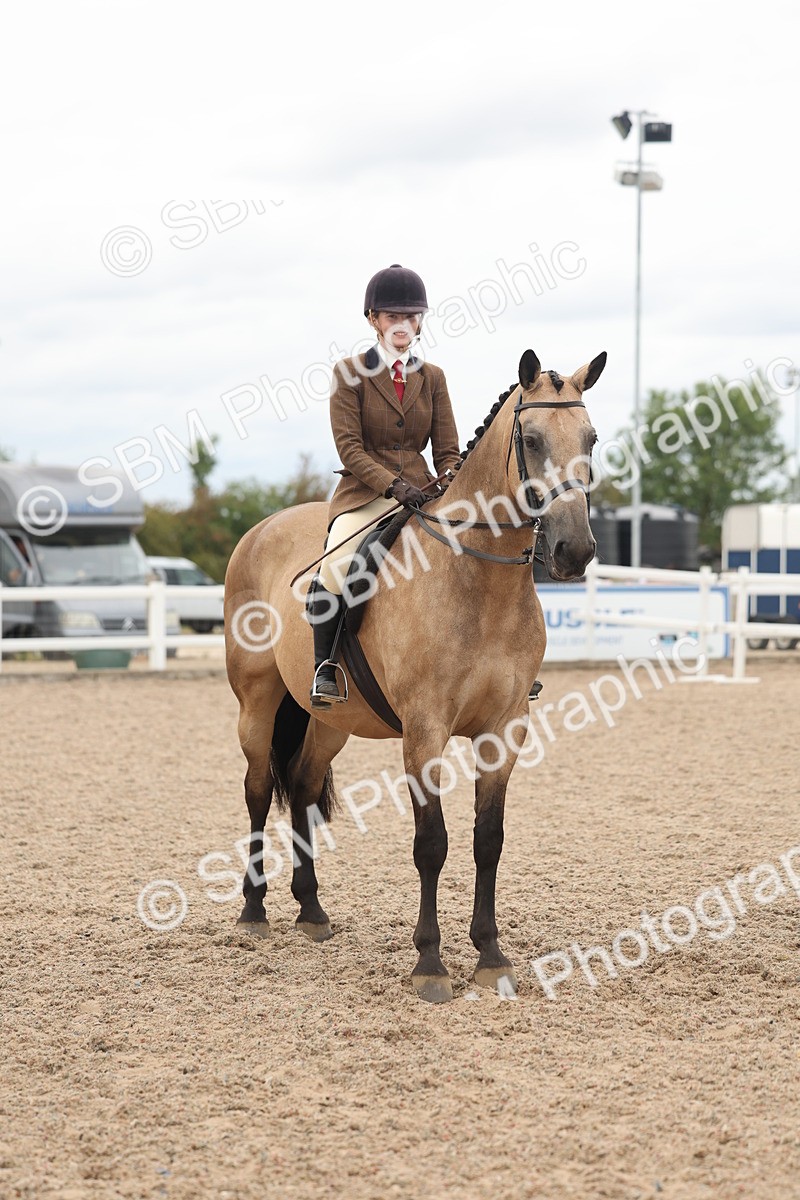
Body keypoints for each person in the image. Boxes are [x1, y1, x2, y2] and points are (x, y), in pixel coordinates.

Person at [309, 264, 462, 706]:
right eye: (392, 315)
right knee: (336, 564)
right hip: (367, 494)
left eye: (410, 315)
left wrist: (447, 483)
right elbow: (350, 449)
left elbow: (447, 450)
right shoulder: (349, 373)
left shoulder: (432, 377)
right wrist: (394, 486)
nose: (402, 324)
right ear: (374, 319)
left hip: (424, 495)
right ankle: (326, 667)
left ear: (420, 321)